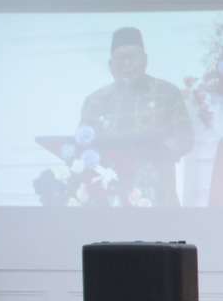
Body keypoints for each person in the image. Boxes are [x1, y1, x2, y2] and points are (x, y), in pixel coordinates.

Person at [76, 26, 195, 206]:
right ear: (110, 65)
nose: (127, 64)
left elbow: (185, 139)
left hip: (159, 200)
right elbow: (82, 148)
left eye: (132, 57)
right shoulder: (95, 101)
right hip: (109, 204)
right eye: (120, 59)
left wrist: (156, 149)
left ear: (145, 60)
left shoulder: (168, 93)